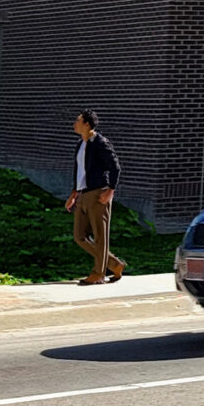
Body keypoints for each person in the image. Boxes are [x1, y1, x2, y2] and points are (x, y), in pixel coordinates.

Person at [67, 110, 126, 284]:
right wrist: (73, 193)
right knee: (79, 236)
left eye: (78, 121)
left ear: (87, 124)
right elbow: (79, 171)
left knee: (100, 236)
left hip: (98, 194)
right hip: (82, 194)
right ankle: (114, 264)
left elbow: (115, 167)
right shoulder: (81, 144)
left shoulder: (100, 142)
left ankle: (98, 274)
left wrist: (110, 190)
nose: (74, 124)